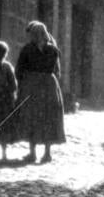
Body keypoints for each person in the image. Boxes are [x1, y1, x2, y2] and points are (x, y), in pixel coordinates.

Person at [15, 21, 66, 164]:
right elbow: (57, 71)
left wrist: (22, 84)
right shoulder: (53, 50)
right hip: (49, 85)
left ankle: (32, 154)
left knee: (31, 116)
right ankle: (47, 154)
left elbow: (19, 69)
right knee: (48, 117)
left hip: (32, 85)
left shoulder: (27, 49)